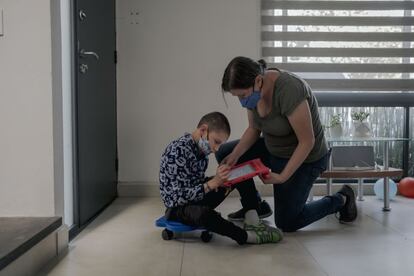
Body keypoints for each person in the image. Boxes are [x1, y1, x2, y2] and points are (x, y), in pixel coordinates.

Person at [217, 57, 357, 232]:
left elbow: (307, 141)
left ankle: (342, 198)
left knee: (287, 222)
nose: (242, 101)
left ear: (258, 81)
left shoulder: (289, 90)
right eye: (237, 97)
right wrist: (235, 156)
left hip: (306, 157)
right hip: (274, 149)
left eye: (242, 96)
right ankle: (254, 206)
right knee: (225, 153)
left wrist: (282, 176)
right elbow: (254, 128)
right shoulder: (254, 92)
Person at [159, 111, 283, 244]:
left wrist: (220, 181)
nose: (217, 149)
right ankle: (248, 237)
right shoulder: (178, 151)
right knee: (204, 214)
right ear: (203, 130)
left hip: (195, 198)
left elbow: (194, 182)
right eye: (216, 142)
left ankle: (252, 216)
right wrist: (212, 184)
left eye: (220, 144)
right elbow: (176, 197)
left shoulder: (200, 151)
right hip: (177, 207)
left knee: (234, 173)